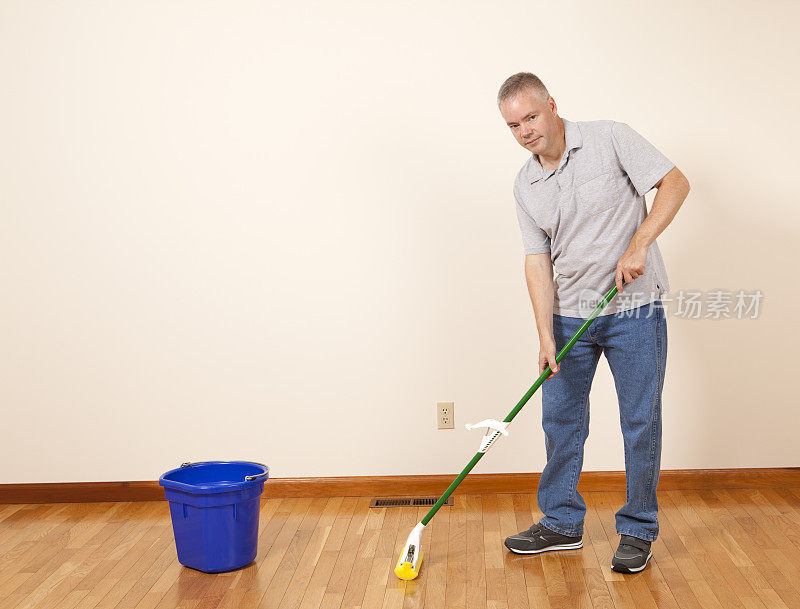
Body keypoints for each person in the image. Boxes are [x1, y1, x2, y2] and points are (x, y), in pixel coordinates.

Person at [496, 72, 690, 573]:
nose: (525, 132)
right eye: (514, 125)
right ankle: (561, 523)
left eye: (531, 117)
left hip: (633, 310)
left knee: (640, 422)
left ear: (552, 105)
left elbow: (675, 181)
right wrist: (544, 334)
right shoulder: (525, 183)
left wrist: (640, 241)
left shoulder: (610, 137)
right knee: (560, 422)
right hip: (567, 319)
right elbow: (537, 261)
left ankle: (638, 529)